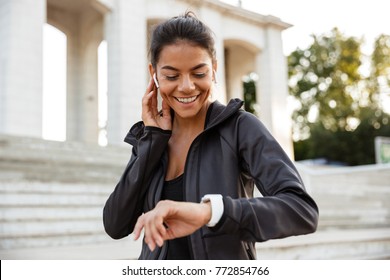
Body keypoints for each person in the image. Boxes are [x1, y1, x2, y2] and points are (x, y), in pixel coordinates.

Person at [103, 11, 318, 260]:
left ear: (214, 69)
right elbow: (115, 224)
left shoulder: (240, 128)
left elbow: (301, 210)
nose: (186, 86)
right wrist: (151, 141)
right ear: (154, 74)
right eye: (171, 76)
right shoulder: (151, 139)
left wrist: (210, 212)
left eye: (199, 73)